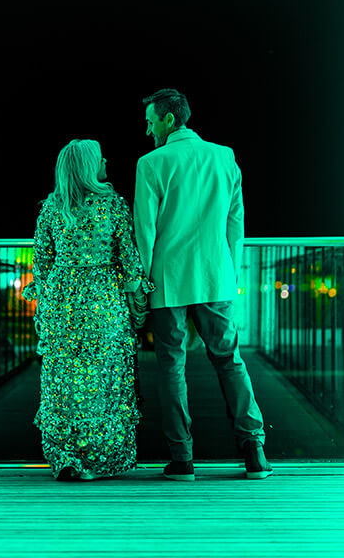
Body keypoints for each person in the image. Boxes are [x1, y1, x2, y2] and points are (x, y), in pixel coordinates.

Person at [134, 88, 272, 481]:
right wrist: (231, 272)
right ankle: (254, 451)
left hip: (168, 282)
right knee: (230, 361)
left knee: (171, 367)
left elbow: (145, 231)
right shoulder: (224, 157)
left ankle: (182, 460)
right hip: (216, 277)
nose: (148, 130)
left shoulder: (151, 163)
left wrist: (141, 284)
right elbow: (235, 223)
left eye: (150, 121)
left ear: (168, 119)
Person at [23, 139, 152, 481]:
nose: (106, 160)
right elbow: (131, 262)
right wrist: (142, 302)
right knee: (104, 378)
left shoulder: (52, 208)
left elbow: (42, 266)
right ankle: (97, 457)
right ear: (88, 166)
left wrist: (47, 306)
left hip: (61, 304)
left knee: (64, 382)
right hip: (103, 302)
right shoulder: (113, 205)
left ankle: (67, 455)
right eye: (100, 157)